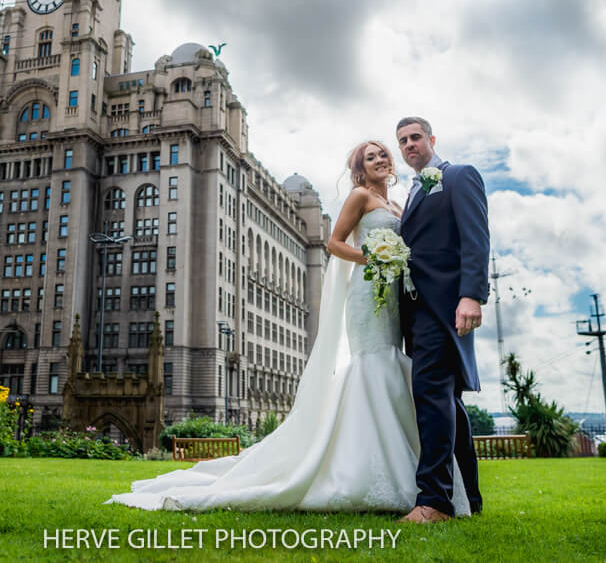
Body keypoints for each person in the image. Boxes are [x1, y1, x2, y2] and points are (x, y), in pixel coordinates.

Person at [106, 141, 469, 514]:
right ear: (360, 168)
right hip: (367, 291)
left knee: (390, 362)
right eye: (369, 156)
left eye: (382, 154)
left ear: (391, 163)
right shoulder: (359, 196)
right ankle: (362, 469)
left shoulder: (399, 204)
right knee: (372, 364)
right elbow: (333, 243)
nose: (379, 159)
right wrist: (372, 258)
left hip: (392, 295)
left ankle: (408, 472)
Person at [395, 116, 488, 524]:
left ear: (432, 139)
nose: (410, 145)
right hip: (417, 312)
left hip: (446, 307)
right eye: (403, 141)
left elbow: (476, 237)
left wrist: (472, 295)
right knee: (448, 402)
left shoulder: (459, 176)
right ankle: (470, 496)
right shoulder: (412, 192)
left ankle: (434, 502)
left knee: (432, 397)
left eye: (416, 137)